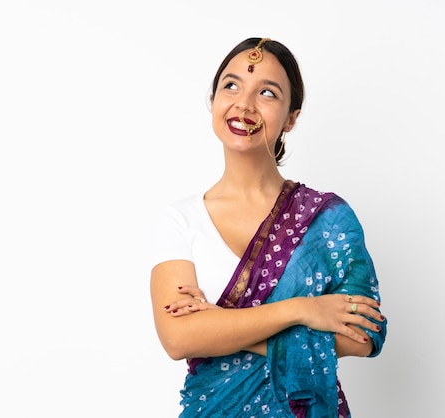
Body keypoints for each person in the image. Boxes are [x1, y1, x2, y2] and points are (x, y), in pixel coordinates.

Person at [149, 37, 387, 417]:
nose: (243, 104)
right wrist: (302, 310)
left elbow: (364, 335)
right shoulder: (182, 219)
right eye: (231, 86)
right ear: (213, 101)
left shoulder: (328, 219)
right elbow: (179, 338)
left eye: (267, 93)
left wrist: (217, 324)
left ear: (291, 117)